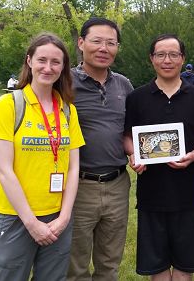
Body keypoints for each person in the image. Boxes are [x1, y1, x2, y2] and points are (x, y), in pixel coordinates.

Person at [0, 33, 85, 281]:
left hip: (57, 218)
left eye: (56, 62)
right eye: (42, 60)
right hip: (15, 217)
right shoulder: (8, 105)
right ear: (29, 61)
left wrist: (64, 217)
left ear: (63, 67)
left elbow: (73, 168)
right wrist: (31, 223)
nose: (48, 68)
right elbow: (5, 171)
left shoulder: (68, 110)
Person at [124, 34, 194, 280]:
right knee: (157, 267)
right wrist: (133, 154)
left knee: (186, 267)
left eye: (174, 54)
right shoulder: (137, 98)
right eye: (161, 54)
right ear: (152, 59)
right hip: (152, 197)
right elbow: (127, 136)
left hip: (188, 196)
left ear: (183, 59)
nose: (167, 60)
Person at [67, 17, 133, 281]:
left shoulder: (124, 85)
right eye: (97, 41)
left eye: (111, 43)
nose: (104, 48)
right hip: (79, 185)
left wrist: (137, 154)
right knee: (75, 263)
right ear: (81, 43)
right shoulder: (64, 83)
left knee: (109, 263)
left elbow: (130, 130)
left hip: (118, 184)